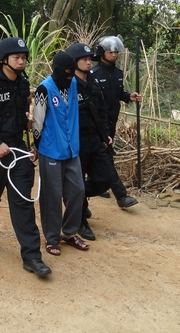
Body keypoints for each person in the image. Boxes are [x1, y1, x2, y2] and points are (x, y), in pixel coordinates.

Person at [0, 37, 51, 277]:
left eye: (24, 57)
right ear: (3, 59)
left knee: (23, 204)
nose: (21, 61)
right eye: (17, 57)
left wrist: (26, 123)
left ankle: (32, 257)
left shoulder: (22, 83)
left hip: (18, 152)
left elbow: (17, 113)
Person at [32, 51, 89, 256]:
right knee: (52, 195)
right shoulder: (43, 89)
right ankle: (52, 237)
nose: (69, 77)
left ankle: (70, 231)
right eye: (66, 73)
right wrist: (36, 147)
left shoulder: (73, 83)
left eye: (71, 73)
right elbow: (37, 122)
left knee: (78, 190)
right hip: (50, 149)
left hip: (72, 148)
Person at [65, 42, 115, 241]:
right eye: (84, 59)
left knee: (106, 177)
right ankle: (79, 221)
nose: (88, 63)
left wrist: (106, 134)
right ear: (74, 62)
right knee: (76, 180)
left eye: (89, 59)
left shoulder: (93, 83)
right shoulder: (67, 85)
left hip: (94, 138)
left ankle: (77, 197)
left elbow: (102, 111)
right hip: (75, 140)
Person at [90, 36, 140, 209]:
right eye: (111, 52)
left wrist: (129, 97)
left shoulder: (118, 74)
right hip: (96, 124)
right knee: (106, 158)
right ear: (102, 52)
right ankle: (121, 195)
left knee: (98, 156)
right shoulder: (93, 75)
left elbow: (117, 94)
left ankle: (97, 183)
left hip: (111, 121)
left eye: (116, 52)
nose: (114, 55)